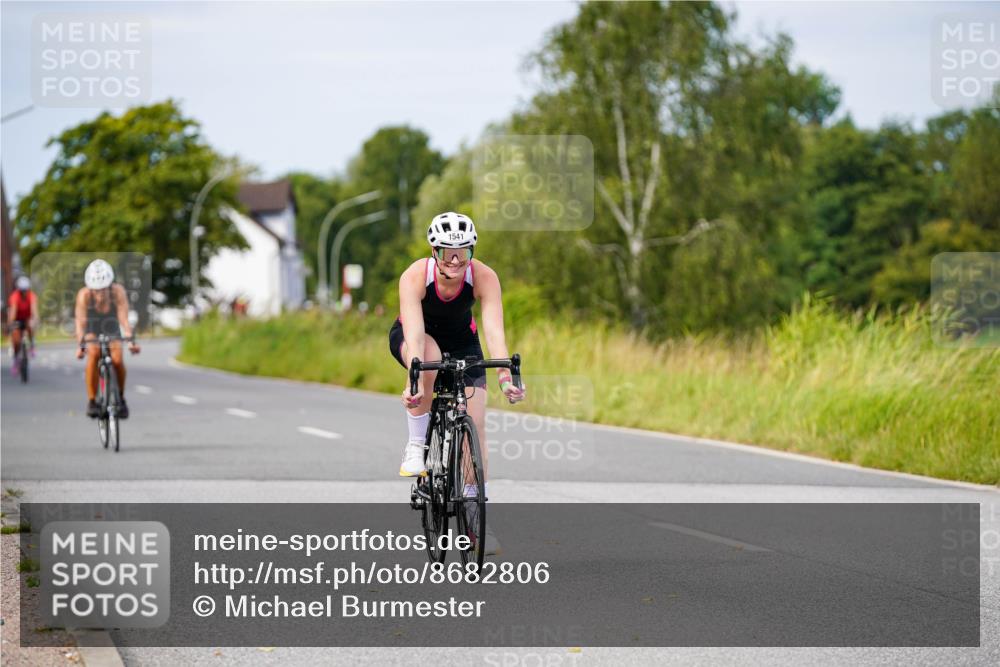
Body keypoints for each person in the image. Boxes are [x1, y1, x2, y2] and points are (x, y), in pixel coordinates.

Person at [390, 212, 525, 553]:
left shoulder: (484, 277)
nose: (454, 259)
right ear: (433, 251)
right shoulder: (415, 276)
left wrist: (505, 376)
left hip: (464, 342)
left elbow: (494, 330)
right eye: (446, 251)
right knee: (429, 364)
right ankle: (417, 446)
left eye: (462, 252)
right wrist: (415, 379)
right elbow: (416, 335)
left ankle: (473, 516)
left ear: (471, 251)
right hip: (417, 336)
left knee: (476, 424)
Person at [74, 259, 140, 418]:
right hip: (92, 327)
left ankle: (121, 399)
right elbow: (80, 323)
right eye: (96, 290)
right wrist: (81, 345)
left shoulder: (118, 292)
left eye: (103, 289)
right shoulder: (84, 295)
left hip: (112, 326)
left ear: (110, 285)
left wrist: (130, 341)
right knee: (94, 353)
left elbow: (124, 319)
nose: (100, 294)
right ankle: (92, 401)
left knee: (117, 360)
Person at [7, 276, 37, 374]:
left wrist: (35, 319)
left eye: (26, 290)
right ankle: (16, 359)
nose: (24, 292)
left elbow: (34, 310)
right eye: (22, 290)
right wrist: (11, 324)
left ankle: (32, 344)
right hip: (17, 318)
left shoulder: (32, 295)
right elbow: (13, 311)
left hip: (27, 318)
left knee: (30, 325)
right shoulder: (14, 297)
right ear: (19, 290)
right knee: (16, 340)